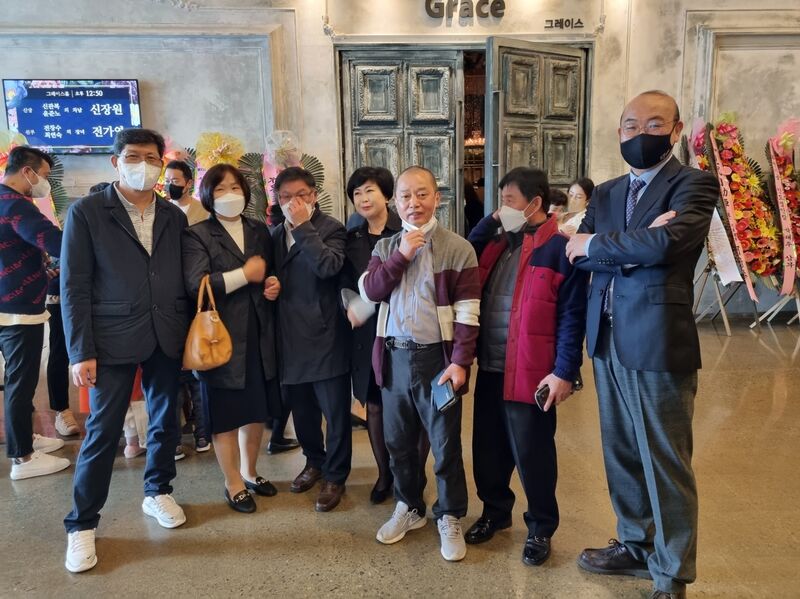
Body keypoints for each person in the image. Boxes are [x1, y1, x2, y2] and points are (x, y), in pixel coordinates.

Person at [565, 90, 718, 599]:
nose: (640, 134)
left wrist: (605, 245)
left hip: (657, 342)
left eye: (654, 125)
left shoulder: (692, 184)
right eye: (631, 125)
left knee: (664, 461)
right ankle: (635, 545)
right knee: (622, 453)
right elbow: (577, 255)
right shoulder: (607, 193)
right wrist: (634, 246)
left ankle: (671, 574)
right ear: (619, 132)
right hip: (606, 339)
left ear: (675, 131)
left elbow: (669, 242)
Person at [61, 128, 190, 573]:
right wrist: (80, 351)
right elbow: (74, 285)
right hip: (111, 337)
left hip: (166, 332)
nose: (144, 165)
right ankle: (82, 523)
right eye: (134, 156)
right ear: (116, 162)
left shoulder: (172, 215)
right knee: (103, 430)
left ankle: (158, 491)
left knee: (165, 420)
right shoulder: (88, 212)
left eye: (152, 158)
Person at [463, 167, 588, 566]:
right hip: (492, 366)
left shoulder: (560, 249)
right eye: (500, 202)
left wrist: (565, 371)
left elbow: (572, 316)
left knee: (533, 455)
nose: (503, 209)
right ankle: (495, 512)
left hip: (532, 372)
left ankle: (540, 528)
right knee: (488, 450)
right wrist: (492, 219)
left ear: (535, 203)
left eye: (509, 201)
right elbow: (468, 249)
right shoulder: (498, 244)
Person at [360, 166, 480, 562]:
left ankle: (449, 514)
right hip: (394, 356)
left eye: (422, 194)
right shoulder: (385, 248)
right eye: (406, 196)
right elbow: (372, 291)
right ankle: (409, 505)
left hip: (437, 361)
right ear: (395, 202)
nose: (414, 203)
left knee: (444, 443)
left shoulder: (458, 248)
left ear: (437, 198)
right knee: (398, 442)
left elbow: (467, 311)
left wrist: (461, 362)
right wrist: (402, 255)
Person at [182, 163, 282, 513]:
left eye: (236, 187)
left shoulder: (258, 229)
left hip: (259, 335)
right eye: (221, 189)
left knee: (255, 412)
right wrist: (244, 274)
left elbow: (269, 271)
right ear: (208, 195)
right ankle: (233, 482)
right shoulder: (197, 235)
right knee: (225, 416)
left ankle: (250, 472)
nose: (230, 195)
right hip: (220, 340)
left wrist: (272, 283)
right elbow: (196, 284)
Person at [340, 166, 430, 505]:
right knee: (375, 407)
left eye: (370, 191)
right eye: (357, 193)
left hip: (405, 328)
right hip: (367, 332)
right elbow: (345, 283)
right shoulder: (352, 238)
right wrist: (349, 306)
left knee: (415, 410)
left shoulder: (406, 230)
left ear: (388, 195)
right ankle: (384, 474)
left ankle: (415, 475)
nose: (363, 199)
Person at [271, 166, 351, 513]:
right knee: (302, 412)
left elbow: (328, 267)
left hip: (325, 335)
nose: (293, 202)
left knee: (335, 413)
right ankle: (314, 461)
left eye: (301, 195)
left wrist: (303, 226)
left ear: (314, 195)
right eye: (286, 197)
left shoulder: (331, 229)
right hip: (288, 338)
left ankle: (336, 475)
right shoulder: (274, 234)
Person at [0, 145, 70, 480]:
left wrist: (42, 271)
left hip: (9, 303)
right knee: (21, 380)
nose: (45, 183)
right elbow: (58, 243)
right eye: (44, 176)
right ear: (27, 172)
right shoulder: (16, 205)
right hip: (17, 310)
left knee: (18, 378)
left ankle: (25, 437)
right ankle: (23, 458)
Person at [164, 160, 208, 226]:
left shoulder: (203, 211)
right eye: (167, 181)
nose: (170, 185)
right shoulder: (162, 209)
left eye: (175, 181)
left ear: (189, 183)